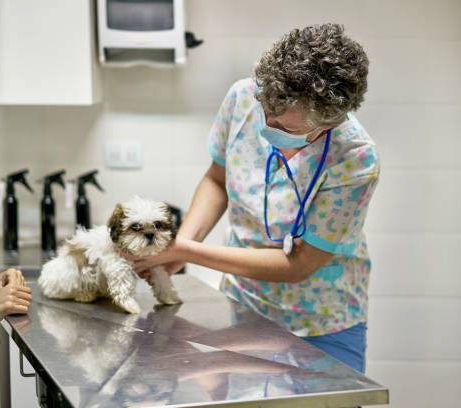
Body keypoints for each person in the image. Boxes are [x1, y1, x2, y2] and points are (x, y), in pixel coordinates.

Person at [126, 23, 379, 373]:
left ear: (327, 124)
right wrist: (181, 243)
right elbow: (216, 180)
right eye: (267, 114)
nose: (269, 128)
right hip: (243, 310)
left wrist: (185, 251)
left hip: (322, 323)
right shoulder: (243, 96)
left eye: (287, 129)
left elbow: (300, 265)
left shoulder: (355, 158)